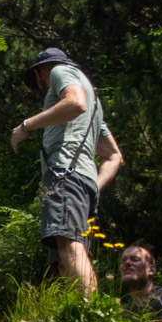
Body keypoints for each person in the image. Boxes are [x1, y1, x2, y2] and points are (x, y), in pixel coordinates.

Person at [10, 47, 123, 295]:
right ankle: (67, 321)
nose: (40, 87)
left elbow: (74, 103)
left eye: (38, 81)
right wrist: (93, 184)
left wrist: (27, 126)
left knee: (68, 246)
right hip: (79, 181)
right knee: (63, 259)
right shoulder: (96, 105)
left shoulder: (61, 71)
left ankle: (93, 317)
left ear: (40, 73)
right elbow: (114, 156)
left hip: (64, 173)